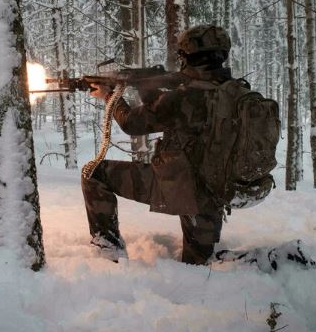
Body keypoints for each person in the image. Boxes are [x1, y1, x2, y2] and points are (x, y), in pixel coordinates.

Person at [83, 25, 233, 265]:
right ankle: (265, 262)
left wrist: (111, 97)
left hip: (180, 185)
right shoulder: (233, 91)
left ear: (187, 57)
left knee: (93, 173)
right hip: (215, 191)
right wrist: (146, 86)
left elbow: (133, 123)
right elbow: (166, 114)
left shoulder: (185, 97)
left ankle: (108, 252)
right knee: (201, 265)